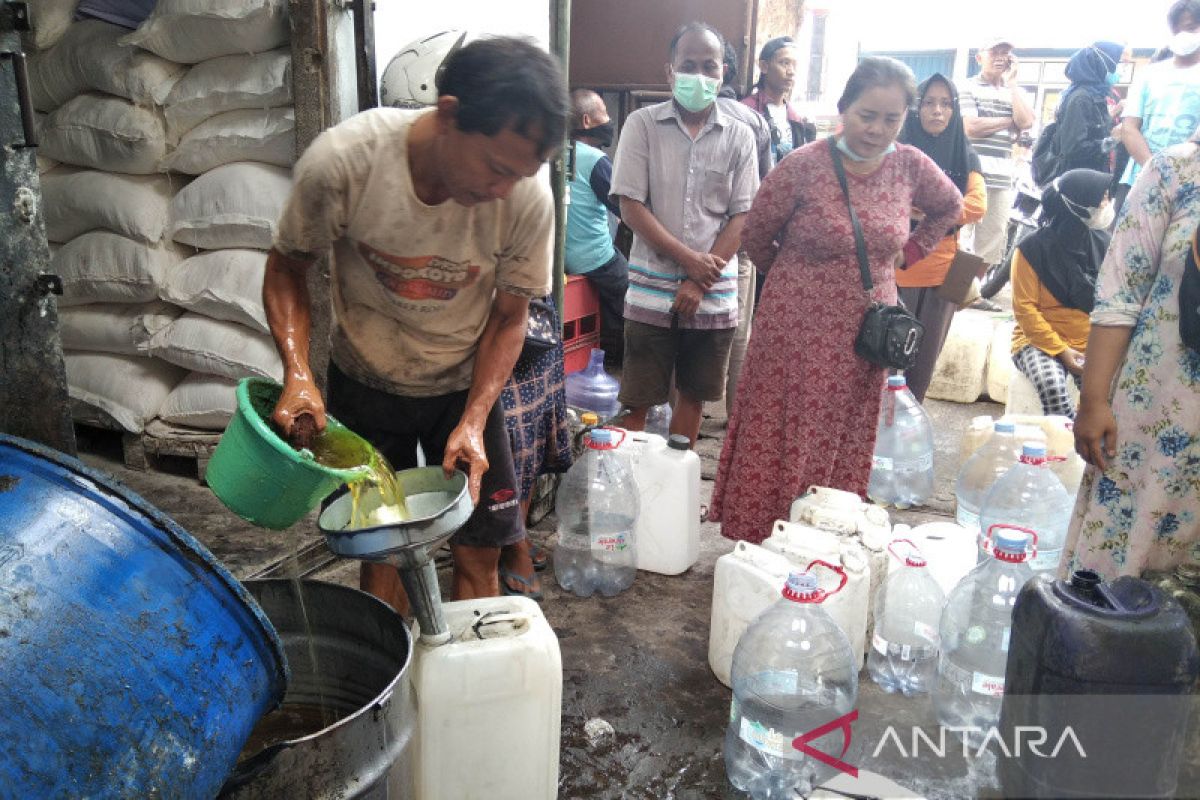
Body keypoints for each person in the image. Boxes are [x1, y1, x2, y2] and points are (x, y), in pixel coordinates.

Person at [263, 37, 569, 612]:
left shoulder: (526, 198)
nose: (503, 190)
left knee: (481, 550)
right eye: (497, 169)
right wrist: (297, 372)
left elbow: (510, 317)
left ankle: (460, 682)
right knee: (384, 548)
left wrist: (476, 418)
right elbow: (286, 268)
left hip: (464, 382)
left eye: (519, 175)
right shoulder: (345, 162)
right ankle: (398, 690)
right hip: (366, 378)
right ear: (448, 114)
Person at [710, 57, 962, 543]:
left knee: (844, 433)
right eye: (868, 115)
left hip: (865, 333)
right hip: (794, 327)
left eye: (891, 119)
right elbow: (758, 233)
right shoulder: (803, 166)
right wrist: (796, 278)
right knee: (782, 429)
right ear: (844, 108)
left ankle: (822, 535)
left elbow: (949, 206)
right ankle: (764, 536)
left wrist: (909, 252)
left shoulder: (909, 165)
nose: (877, 129)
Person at [609, 22, 758, 446]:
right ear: (669, 71)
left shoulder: (740, 136)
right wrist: (688, 260)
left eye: (708, 66)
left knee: (693, 397)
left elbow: (742, 216)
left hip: (712, 290)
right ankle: (630, 491)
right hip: (651, 288)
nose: (698, 75)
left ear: (723, 72)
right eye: (687, 65)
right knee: (637, 399)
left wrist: (698, 278)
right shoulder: (642, 125)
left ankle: (674, 485)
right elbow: (631, 207)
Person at [1066, 137, 1200, 579]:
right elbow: (1121, 293)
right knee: (1118, 582)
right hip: (1156, 419)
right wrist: (1093, 400)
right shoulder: (1176, 171)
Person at [896, 73, 988, 402]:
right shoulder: (900, 149)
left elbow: (977, 205)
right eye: (930, 103)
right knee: (886, 355)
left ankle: (908, 431)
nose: (938, 111)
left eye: (946, 104)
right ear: (916, 108)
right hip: (897, 266)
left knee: (923, 362)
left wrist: (930, 209)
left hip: (942, 271)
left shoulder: (964, 153)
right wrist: (938, 208)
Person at [1010, 169, 1113, 419]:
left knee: (1112, 394)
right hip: (1038, 342)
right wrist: (1061, 351)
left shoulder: (1105, 244)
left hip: (1091, 342)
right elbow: (1025, 311)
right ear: (1079, 206)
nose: (1108, 204)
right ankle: (1067, 443)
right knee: (1053, 386)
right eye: (1102, 199)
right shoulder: (1030, 250)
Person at [497, 300, 574, 600]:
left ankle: (517, 535)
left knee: (534, 422)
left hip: (530, 302)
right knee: (507, 426)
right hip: (478, 304)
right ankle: (510, 542)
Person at [958, 37, 1035, 277]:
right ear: (980, 57)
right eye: (995, 53)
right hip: (971, 173)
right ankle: (953, 293)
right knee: (961, 235)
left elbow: (1027, 122)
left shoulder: (1016, 92)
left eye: (1006, 53)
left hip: (1002, 177)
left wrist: (1012, 85)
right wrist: (1009, 121)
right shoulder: (967, 87)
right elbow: (971, 127)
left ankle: (972, 292)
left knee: (993, 238)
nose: (1001, 58)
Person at [1116, 0, 1200, 214]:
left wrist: (1178, 177)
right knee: (1126, 246)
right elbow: (1129, 128)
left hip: (1192, 189)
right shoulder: (1150, 74)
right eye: (1177, 30)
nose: (1183, 35)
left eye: (1191, 28)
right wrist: (1157, 172)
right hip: (1140, 181)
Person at [565, 89, 627, 369]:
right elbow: (625, 209)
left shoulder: (555, 152)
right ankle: (618, 359)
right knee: (629, 286)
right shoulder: (594, 160)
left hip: (562, 258)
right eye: (604, 111)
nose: (610, 119)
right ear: (587, 120)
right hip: (593, 257)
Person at [1050, 42, 1125, 178]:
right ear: (1103, 66)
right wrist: (1112, 140)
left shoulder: (1095, 96)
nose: (1120, 70)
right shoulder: (1081, 98)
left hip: (1087, 178)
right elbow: (1073, 148)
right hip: (1076, 182)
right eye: (1117, 63)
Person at [741, 36, 817, 164]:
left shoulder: (795, 117)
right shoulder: (746, 110)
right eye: (784, 63)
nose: (791, 71)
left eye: (794, 65)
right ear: (764, 66)